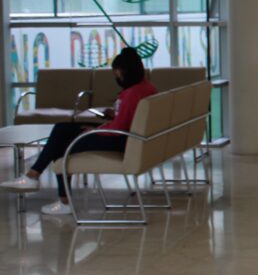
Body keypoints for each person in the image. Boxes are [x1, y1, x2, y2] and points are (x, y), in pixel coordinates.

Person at [0, 47, 158, 216]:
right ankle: (34, 176)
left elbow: (119, 128)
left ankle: (59, 197)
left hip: (120, 140)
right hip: (129, 138)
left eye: (116, 73)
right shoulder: (146, 88)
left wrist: (95, 130)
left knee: (62, 146)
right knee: (63, 128)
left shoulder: (132, 94)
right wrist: (111, 116)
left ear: (123, 71)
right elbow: (127, 118)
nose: (116, 77)